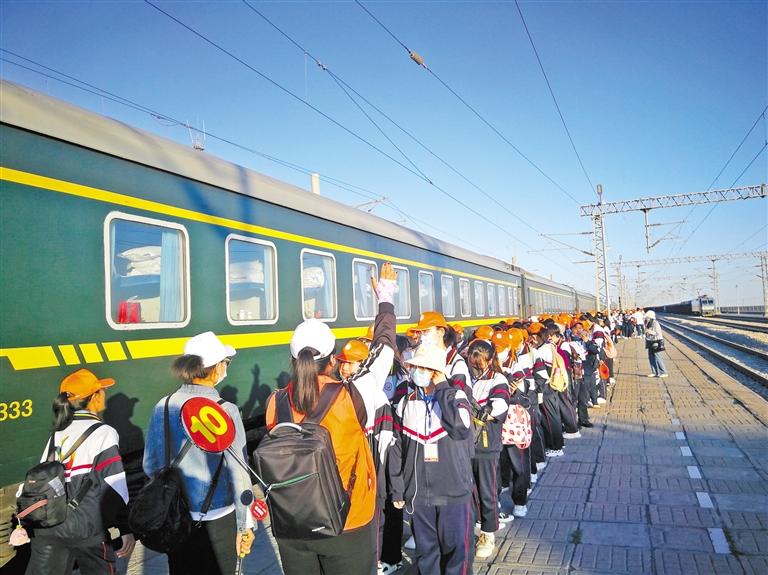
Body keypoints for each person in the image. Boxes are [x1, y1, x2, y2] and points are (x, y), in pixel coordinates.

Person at [265, 262, 397, 575]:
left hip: (292, 523)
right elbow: (384, 350)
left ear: (293, 358)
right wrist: (385, 297)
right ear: (332, 358)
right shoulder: (353, 394)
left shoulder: (275, 402)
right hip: (347, 520)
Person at [143, 332, 255, 575]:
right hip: (219, 519)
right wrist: (245, 525)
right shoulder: (226, 410)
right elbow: (239, 473)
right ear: (215, 368)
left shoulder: (163, 405)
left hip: (176, 516)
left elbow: (150, 465)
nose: (226, 367)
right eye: (225, 362)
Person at [24, 368, 134, 575]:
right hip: (87, 529)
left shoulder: (56, 434)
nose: (104, 394)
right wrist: (124, 528)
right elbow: (115, 487)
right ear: (94, 397)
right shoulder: (104, 433)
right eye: (102, 390)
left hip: (49, 526)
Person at [389, 344, 473, 575]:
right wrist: (398, 489)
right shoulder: (405, 402)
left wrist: (443, 387)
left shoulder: (456, 396)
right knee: (426, 554)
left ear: (437, 371)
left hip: (453, 492)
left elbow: (460, 428)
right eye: (416, 367)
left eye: (425, 368)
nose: (418, 372)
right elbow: (397, 448)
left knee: (457, 554)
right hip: (419, 495)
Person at [467, 339, 511, 559]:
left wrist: (481, 411)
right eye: (472, 362)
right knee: (468, 489)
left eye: (479, 363)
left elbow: (500, 404)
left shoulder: (498, 379)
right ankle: (470, 525)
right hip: (465, 442)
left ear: (490, 359)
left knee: (487, 490)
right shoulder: (467, 376)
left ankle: (488, 533)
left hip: (486, 443)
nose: (475, 367)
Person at [644, 310, 668, 378]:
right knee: (651, 357)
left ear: (650, 316)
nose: (646, 318)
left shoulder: (655, 323)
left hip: (655, 342)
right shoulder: (648, 322)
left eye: (647, 317)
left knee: (657, 357)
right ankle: (654, 372)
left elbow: (658, 333)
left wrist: (649, 331)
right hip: (650, 341)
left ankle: (664, 372)